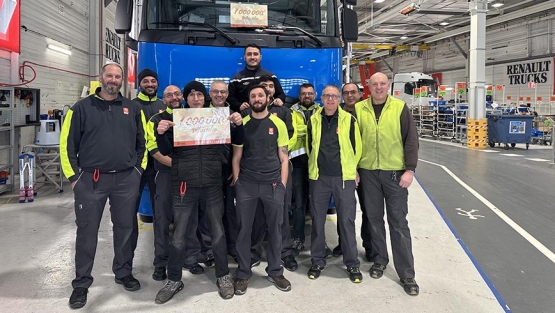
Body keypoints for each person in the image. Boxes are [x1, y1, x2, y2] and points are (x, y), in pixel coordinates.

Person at [61, 63, 147, 309]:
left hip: (125, 180)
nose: (113, 79)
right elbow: (67, 144)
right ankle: (81, 283)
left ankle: (123, 272)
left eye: (117, 76)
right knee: (87, 232)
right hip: (90, 180)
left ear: (122, 80)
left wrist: (137, 171)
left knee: (125, 228)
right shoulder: (80, 108)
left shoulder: (133, 108)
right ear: (101, 77)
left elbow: (143, 142)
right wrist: (74, 178)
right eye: (109, 75)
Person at [154, 81, 244, 304]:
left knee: (218, 232)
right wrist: (161, 133)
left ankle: (223, 276)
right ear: (186, 98)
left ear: (205, 98)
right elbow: (165, 150)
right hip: (184, 185)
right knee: (179, 234)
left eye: (199, 95)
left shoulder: (215, 119)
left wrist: (238, 124)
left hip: (213, 184)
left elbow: (238, 141)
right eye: (191, 95)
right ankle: (174, 279)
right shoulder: (179, 120)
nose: (195, 98)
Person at [355, 72, 420, 296]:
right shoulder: (360, 109)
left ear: (388, 86)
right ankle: (380, 260)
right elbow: (353, 141)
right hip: (368, 172)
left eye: (383, 83)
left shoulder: (400, 108)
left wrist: (409, 170)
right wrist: (354, 168)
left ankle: (407, 273)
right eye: (375, 84)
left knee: (399, 223)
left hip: (395, 173)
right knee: (373, 220)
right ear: (368, 86)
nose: (379, 87)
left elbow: (411, 139)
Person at [232, 84, 291, 295]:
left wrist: (282, 186)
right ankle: (243, 273)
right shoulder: (243, 124)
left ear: (268, 97)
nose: (257, 98)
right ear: (249, 100)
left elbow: (284, 157)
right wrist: (238, 183)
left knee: (275, 230)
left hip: (273, 185)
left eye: (261, 95)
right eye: (253, 96)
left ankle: (275, 271)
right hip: (246, 185)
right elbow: (236, 157)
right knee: (244, 231)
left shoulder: (278, 124)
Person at [306, 85, 362, 283]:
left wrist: (353, 170)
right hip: (319, 178)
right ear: (321, 98)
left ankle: (352, 263)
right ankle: (318, 260)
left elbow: (357, 147)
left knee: (346, 222)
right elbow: (310, 146)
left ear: (339, 99)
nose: (330, 99)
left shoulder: (349, 120)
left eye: (334, 96)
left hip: (343, 179)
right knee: (318, 222)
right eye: (327, 96)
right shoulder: (313, 120)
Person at [242, 75, 298, 272]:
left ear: (271, 93)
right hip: (251, 179)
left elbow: (287, 142)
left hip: (276, 175)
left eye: (267, 88)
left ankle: (284, 254)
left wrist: (282, 183)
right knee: (255, 218)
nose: (260, 96)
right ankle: (253, 253)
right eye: (256, 92)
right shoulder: (245, 117)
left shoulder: (283, 113)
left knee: (280, 218)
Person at [145, 85, 184, 282]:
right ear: (164, 99)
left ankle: (188, 259)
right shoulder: (155, 120)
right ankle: (160, 263)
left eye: (177, 94)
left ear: (182, 96)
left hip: (188, 177)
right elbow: (153, 150)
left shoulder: (192, 116)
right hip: (166, 175)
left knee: (187, 219)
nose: (174, 97)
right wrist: (176, 165)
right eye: (169, 95)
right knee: (162, 220)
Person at [132, 68, 166, 279]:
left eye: (153, 80)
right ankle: (126, 266)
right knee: (128, 218)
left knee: (161, 217)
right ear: (140, 84)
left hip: (159, 167)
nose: (150, 84)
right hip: (136, 168)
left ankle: (160, 263)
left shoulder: (164, 105)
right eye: (146, 81)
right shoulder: (131, 106)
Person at [333, 82, 373, 261]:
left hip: (365, 169)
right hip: (343, 171)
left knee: (369, 209)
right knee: (344, 210)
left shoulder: (368, 111)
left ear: (360, 94)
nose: (350, 96)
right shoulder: (337, 113)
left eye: (353, 92)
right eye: (346, 93)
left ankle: (370, 246)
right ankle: (344, 244)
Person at [209, 80, 239, 262]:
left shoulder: (235, 116)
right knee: (210, 212)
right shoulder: (200, 114)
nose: (219, 95)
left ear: (227, 95)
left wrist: (236, 169)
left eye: (223, 92)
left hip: (229, 171)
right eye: (215, 92)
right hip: (208, 172)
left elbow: (242, 145)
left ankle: (233, 246)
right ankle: (211, 250)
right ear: (210, 93)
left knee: (231, 210)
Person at [289, 83, 319, 255]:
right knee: (299, 204)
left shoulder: (321, 111)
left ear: (314, 95)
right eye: (303, 94)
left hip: (317, 164)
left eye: (309, 93)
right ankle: (298, 239)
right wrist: (307, 129)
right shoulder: (292, 111)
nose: (307, 96)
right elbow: (292, 132)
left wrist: (303, 130)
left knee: (317, 205)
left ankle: (318, 241)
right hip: (298, 164)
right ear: (299, 96)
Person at [228, 43, 286, 112]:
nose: (252, 57)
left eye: (255, 54)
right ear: (244, 57)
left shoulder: (271, 76)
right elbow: (230, 98)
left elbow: (281, 94)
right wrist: (239, 106)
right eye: (249, 54)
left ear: (260, 57)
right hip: (245, 115)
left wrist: (280, 99)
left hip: (268, 115)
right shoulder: (236, 79)